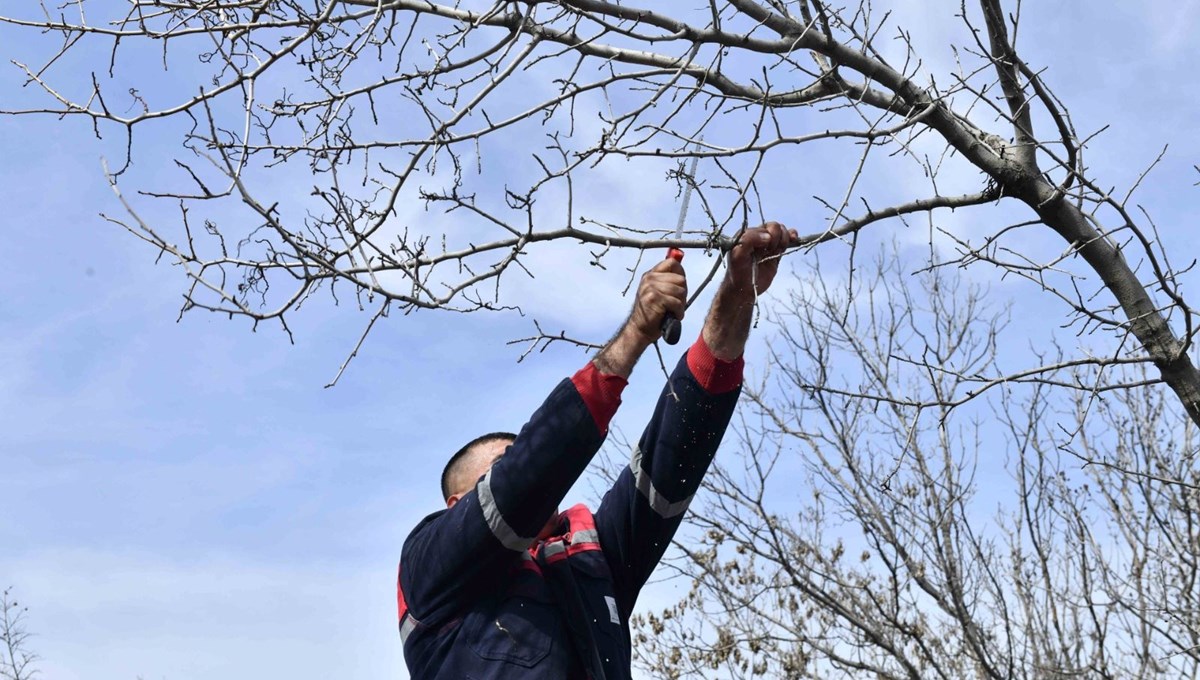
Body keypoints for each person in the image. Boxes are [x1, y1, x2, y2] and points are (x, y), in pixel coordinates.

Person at [397, 222, 797, 679]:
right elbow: (526, 477)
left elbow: (673, 456)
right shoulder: (429, 566)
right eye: (501, 464)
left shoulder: (590, 558)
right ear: (456, 506)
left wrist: (736, 294)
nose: (531, 473)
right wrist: (634, 335)